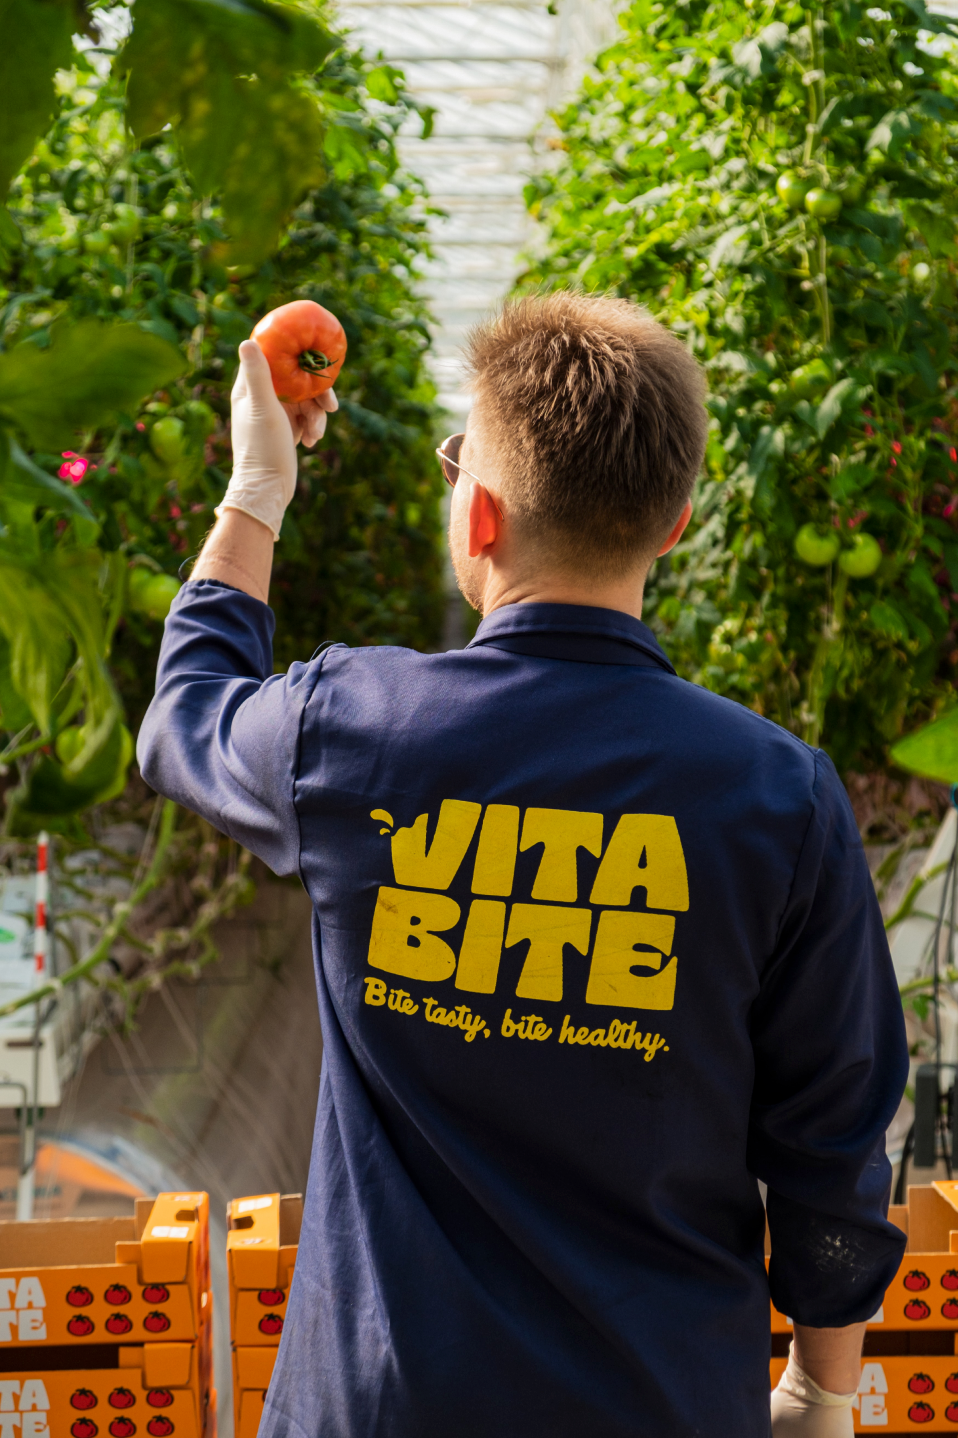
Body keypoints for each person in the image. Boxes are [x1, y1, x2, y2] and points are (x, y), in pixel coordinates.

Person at [137, 292, 908, 1438]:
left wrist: (257, 490)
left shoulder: (349, 729)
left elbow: (183, 715)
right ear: (677, 522)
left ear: (479, 517)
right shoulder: (775, 794)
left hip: (384, 1409)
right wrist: (820, 1389)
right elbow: (835, 1132)